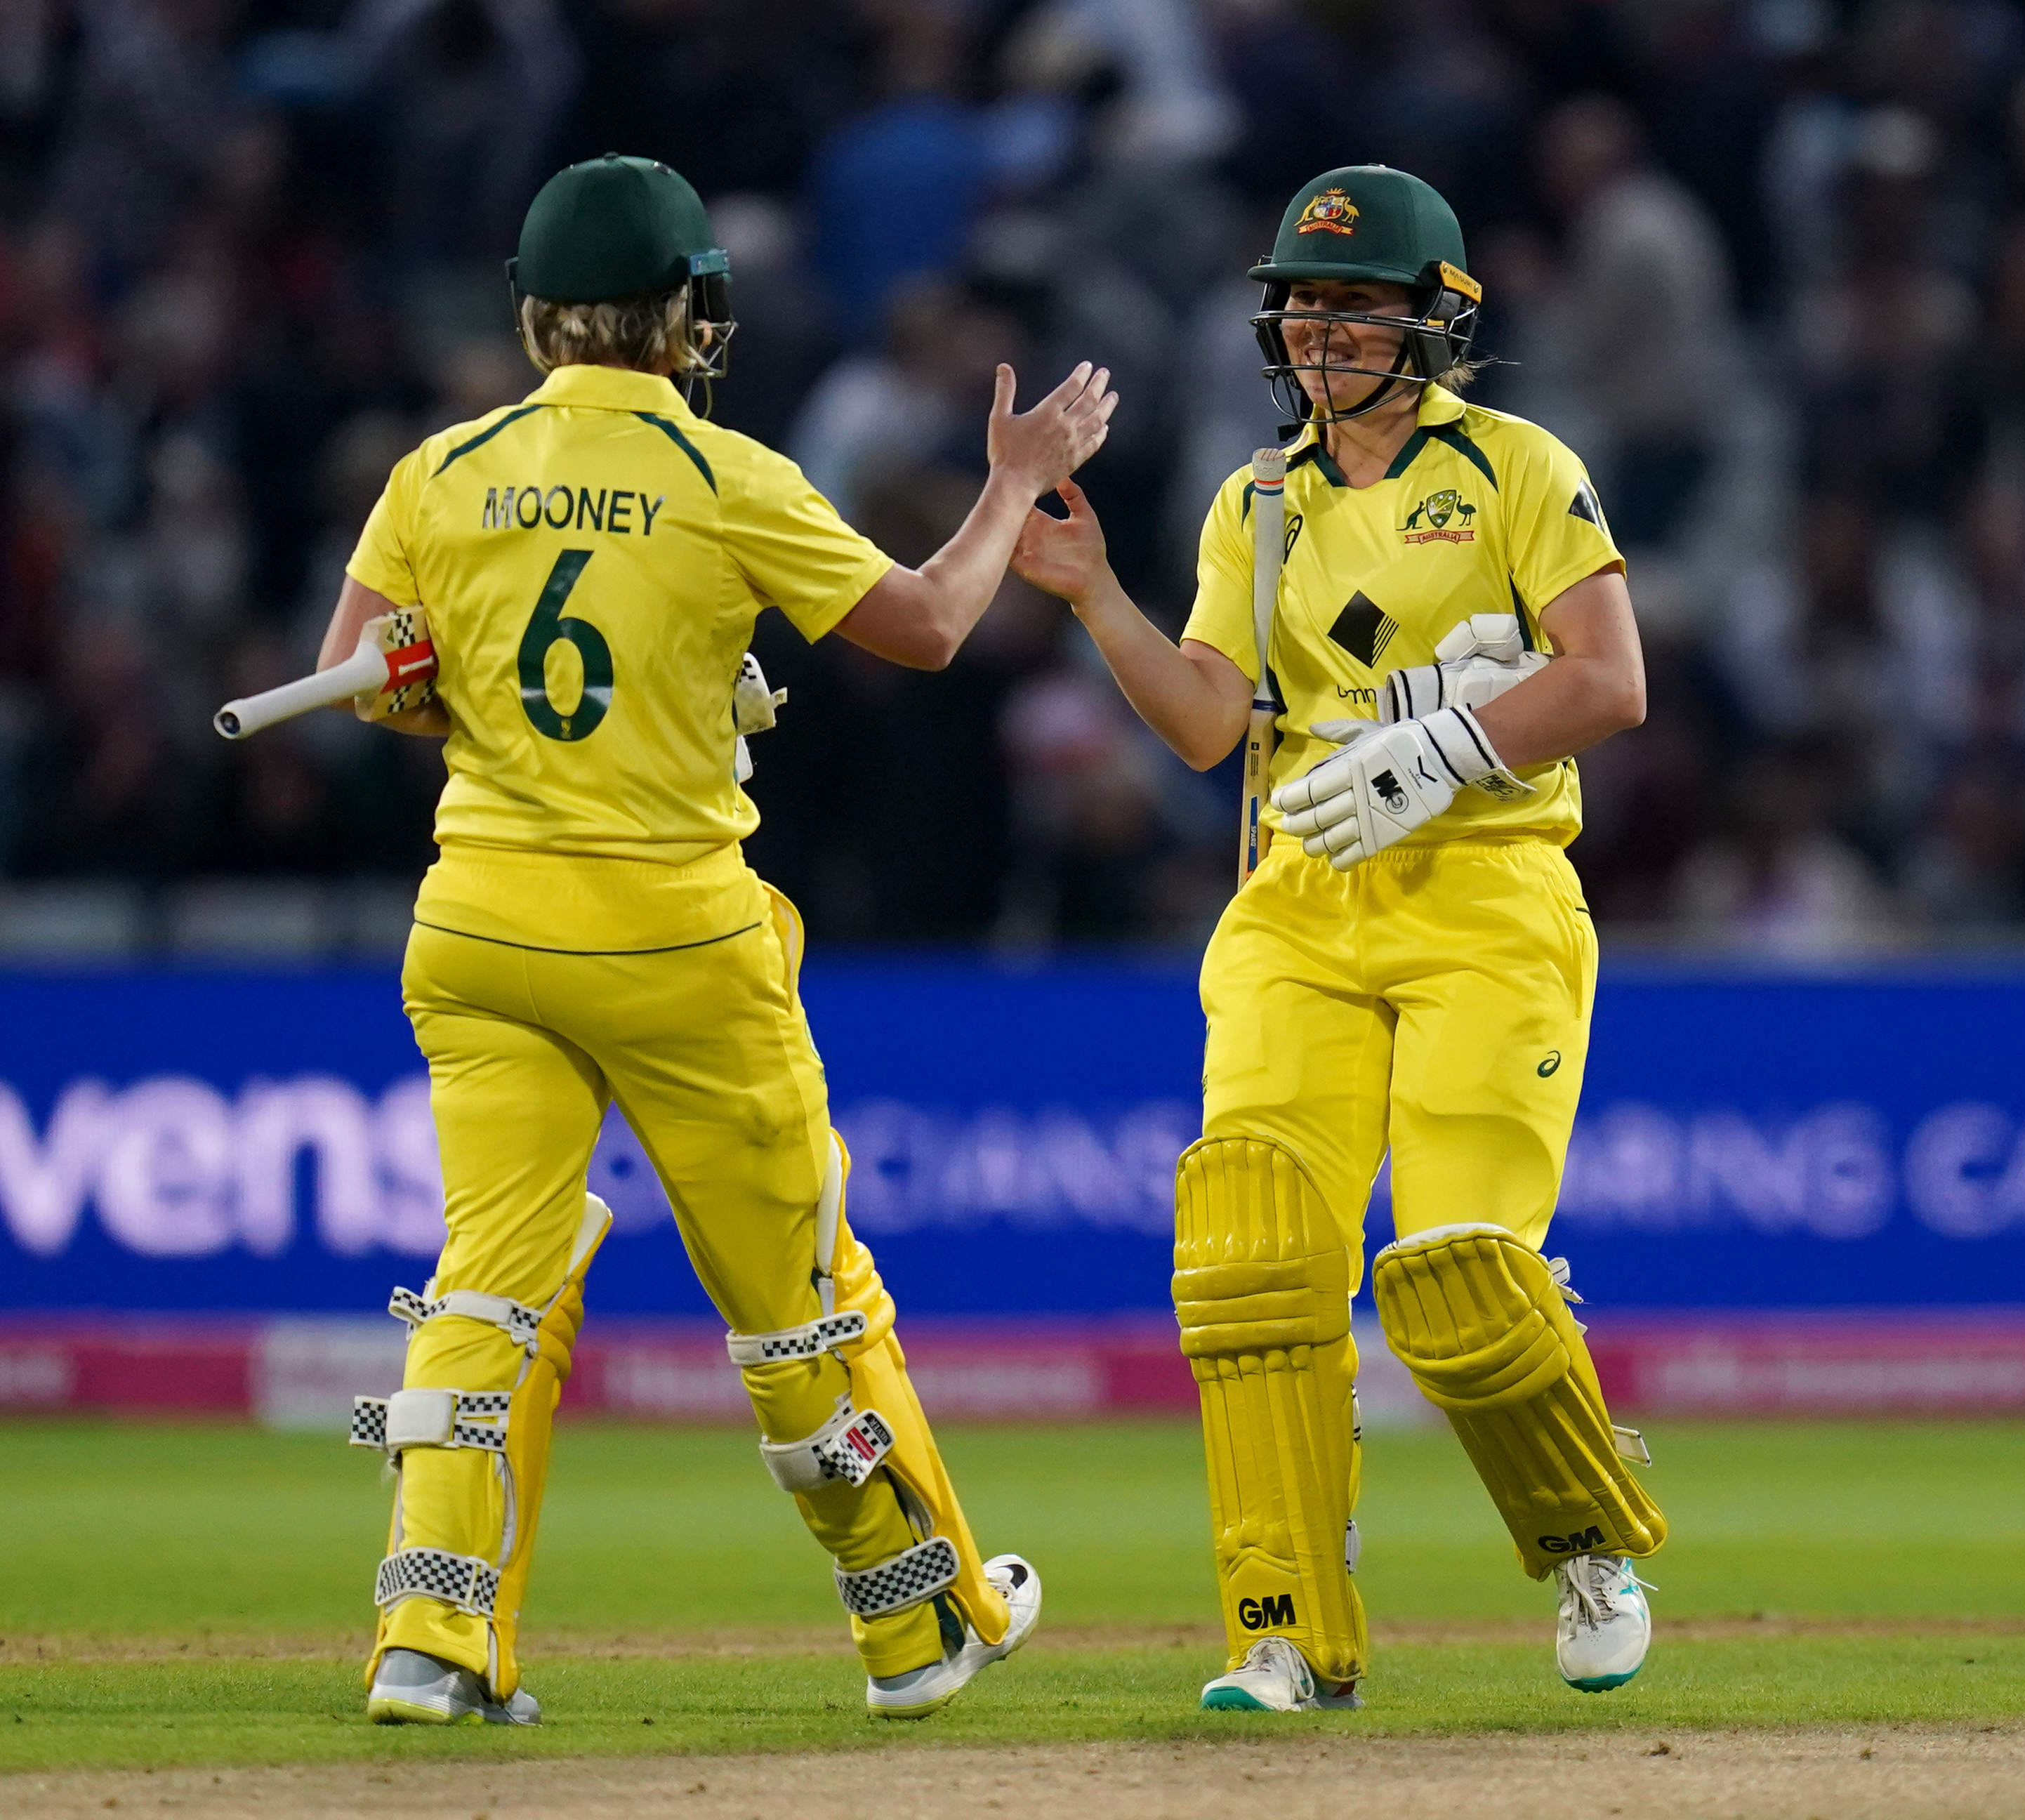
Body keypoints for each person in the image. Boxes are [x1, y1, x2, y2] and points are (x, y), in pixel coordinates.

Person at [316, 153, 1116, 1725]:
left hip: (478, 924)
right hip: (672, 932)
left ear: (537, 317)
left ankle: (433, 1637)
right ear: (686, 316)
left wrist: (442, 682)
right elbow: (935, 626)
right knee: (800, 1298)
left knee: (490, 1284)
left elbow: (362, 686)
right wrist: (1013, 482)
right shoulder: (723, 475)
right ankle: (919, 1624)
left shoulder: (438, 471)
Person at [1008, 164, 1667, 1710]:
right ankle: (1286, 1625)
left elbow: (1611, 681)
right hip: (1296, 907)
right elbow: (1199, 723)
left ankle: (1586, 1541)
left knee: (1454, 1270)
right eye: (1303, 306)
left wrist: (1440, 752)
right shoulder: (1254, 501)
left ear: (1433, 321)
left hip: (1486, 897)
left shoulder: (1515, 467)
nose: (1322, 334)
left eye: (1357, 307)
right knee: (1248, 1254)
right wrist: (1095, 593)